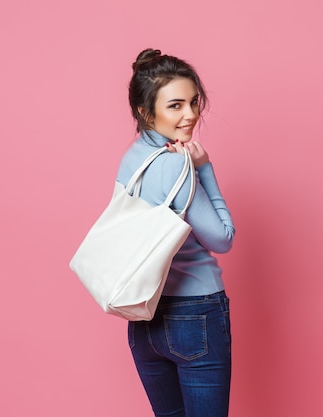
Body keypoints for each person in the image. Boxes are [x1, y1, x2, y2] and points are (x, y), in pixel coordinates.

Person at [116, 48, 235, 417]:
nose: (191, 115)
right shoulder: (175, 165)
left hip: (143, 316)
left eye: (194, 102)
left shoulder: (132, 158)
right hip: (195, 313)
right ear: (144, 110)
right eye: (176, 105)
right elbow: (223, 239)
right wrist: (204, 169)